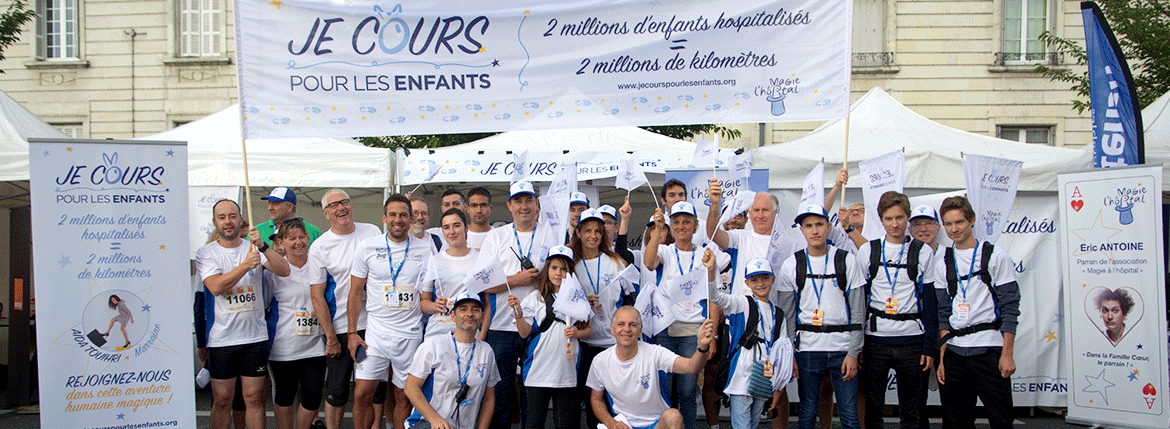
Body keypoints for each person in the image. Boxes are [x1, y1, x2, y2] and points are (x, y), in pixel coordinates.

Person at [704, 180, 803, 428]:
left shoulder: (790, 243)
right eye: (755, 210)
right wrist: (715, 205)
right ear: (749, 214)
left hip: (775, 322)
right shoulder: (741, 236)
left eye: (765, 210)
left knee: (773, 383)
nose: (760, 215)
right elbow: (713, 233)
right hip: (742, 319)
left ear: (776, 213)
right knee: (741, 384)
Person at [196, 199, 291, 429]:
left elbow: (285, 270)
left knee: (254, 399)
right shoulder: (206, 253)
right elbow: (216, 287)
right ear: (214, 222)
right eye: (222, 217)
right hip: (222, 340)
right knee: (222, 400)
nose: (228, 222)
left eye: (232, 216)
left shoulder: (253, 247)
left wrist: (263, 247)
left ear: (240, 219)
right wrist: (245, 266)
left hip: (254, 339)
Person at [349, 193, 434, 429]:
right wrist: (352, 333)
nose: (398, 219)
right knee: (361, 394)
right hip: (376, 334)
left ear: (411, 218)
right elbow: (355, 292)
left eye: (403, 215)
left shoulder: (425, 249)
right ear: (384, 217)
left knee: (403, 395)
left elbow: (430, 291)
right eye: (393, 214)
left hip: (409, 335)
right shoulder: (367, 247)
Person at [934, 196, 1020, 429]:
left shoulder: (995, 255)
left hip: (989, 350)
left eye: (959, 222)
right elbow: (944, 313)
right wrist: (942, 359)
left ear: (971, 221)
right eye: (949, 224)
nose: (954, 229)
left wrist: (1007, 354)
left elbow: (1010, 308)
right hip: (954, 353)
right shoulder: (942, 261)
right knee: (956, 422)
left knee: (1001, 419)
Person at [776, 204, 864, 429]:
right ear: (802, 230)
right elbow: (787, 315)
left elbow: (858, 311)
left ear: (829, 227)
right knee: (806, 413)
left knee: (849, 414)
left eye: (819, 224)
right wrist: (791, 355)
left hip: (842, 350)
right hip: (807, 350)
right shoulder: (791, 264)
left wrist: (853, 352)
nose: (814, 230)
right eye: (808, 226)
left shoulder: (847, 260)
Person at [857, 191, 937, 429]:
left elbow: (931, 302)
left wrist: (930, 345)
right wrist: (858, 343)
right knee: (873, 410)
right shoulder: (868, 251)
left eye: (900, 218)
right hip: (876, 340)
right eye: (889, 218)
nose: (895, 224)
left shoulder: (923, 251)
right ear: (881, 219)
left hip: (912, 339)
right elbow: (859, 301)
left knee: (911, 412)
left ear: (908, 219)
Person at [644, 201, 727, 429]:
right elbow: (649, 263)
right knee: (664, 389)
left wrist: (713, 338)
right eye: (677, 222)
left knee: (688, 391)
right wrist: (658, 230)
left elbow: (714, 299)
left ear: (695, 225)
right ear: (671, 225)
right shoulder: (665, 251)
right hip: (665, 330)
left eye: (686, 222)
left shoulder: (705, 254)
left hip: (693, 332)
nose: (681, 226)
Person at [307, 189, 385, 429]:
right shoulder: (320, 247)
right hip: (340, 326)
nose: (341, 208)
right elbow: (317, 295)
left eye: (344, 202)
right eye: (334, 205)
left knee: (374, 387)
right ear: (326, 213)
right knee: (337, 390)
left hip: (374, 322)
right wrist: (330, 336)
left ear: (351, 205)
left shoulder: (371, 231)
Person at [473, 180, 546, 429]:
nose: (524, 206)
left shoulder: (550, 233)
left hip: (538, 326)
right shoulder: (496, 237)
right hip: (501, 327)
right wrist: (516, 279)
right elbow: (480, 283)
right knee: (500, 394)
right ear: (509, 205)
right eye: (518, 201)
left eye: (528, 200)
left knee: (532, 394)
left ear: (537, 204)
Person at [587, 306, 716, 429]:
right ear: (612, 328)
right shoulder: (600, 361)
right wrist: (611, 423)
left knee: (673, 416)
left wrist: (702, 347)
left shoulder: (655, 353)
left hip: (657, 423)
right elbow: (596, 399)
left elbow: (691, 367)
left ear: (640, 329)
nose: (627, 329)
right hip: (624, 424)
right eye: (621, 324)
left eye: (633, 325)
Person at [703, 250, 790, 429]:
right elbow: (716, 297)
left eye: (765, 278)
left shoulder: (779, 314)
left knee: (754, 422)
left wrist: (779, 385)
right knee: (742, 424)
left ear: (773, 279)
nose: (761, 284)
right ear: (747, 283)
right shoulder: (743, 303)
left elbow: (782, 352)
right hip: (741, 375)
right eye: (755, 280)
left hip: (763, 375)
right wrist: (711, 271)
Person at [508, 245, 592, 429]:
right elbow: (524, 333)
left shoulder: (578, 298)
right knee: (535, 423)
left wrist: (577, 333)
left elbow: (588, 331)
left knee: (564, 424)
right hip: (538, 371)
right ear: (548, 270)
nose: (558, 273)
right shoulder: (535, 298)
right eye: (554, 268)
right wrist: (519, 313)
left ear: (570, 272)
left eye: (564, 269)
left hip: (567, 372)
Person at [570, 209, 631, 429]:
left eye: (598, 230)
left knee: (606, 401)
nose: (593, 236)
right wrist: (581, 301)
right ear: (578, 232)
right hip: (582, 344)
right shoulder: (572, 264)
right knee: (581, 398)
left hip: (609, 343)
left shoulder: (615, 262)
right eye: (587, 230)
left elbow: (629, 299)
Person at [406, 292, 500, 429]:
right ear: (453, 316)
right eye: (463, 309)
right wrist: (435, 420)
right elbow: (410, 387)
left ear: (482, 317)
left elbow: (489, 398)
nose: (470, 314)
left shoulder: (487, 351)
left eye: (475, 309)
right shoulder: (433, 345)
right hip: (427, 423)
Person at [266, 219, 327, 429]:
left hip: (315, 344)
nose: (298, 242)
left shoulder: (318, 264)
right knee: (284, 395)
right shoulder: (273, 272)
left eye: (302, 237)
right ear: (281, 243)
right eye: (291, 238)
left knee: (312, 397)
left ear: (308, 239)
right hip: (285, 345)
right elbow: (265, 305)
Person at [421, 209, 482, 340]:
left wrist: (482, 335)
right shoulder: (433, 260)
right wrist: (434, 305)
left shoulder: (480, 259)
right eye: (446, 227)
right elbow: (423, 302)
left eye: (457, 225)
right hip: (437, 332)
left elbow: (487, 303)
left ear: (466, 228)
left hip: (469, 333)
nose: (452, 232)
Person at [256, 187, 323, 247]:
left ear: (289, 207)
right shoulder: (257, 231)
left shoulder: (313, 231)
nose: (270, 208)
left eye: (275, 204)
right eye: (269, 203)